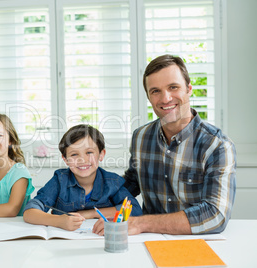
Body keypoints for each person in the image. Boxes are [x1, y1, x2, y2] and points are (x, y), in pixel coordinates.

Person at [93, 54, 236, 236]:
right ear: (149, 97)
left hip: (198, 244)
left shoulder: (217, 145)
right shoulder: (141, 137)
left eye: (173, 87)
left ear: (189, 89)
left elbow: (215, 215)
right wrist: (83, 192)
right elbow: (130, 184)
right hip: (148, 242)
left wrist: (141, 223)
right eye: (155, 91)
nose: (165, 98)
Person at [23, 124, 142, 231]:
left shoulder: (112, 182)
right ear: (65, 159)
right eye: (74, 154)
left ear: (101, 154)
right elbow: (29, 212)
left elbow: (135, 210)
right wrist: (59, 221)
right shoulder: (60, 180)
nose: (82, 160)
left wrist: (89, 214)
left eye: (89, 152)